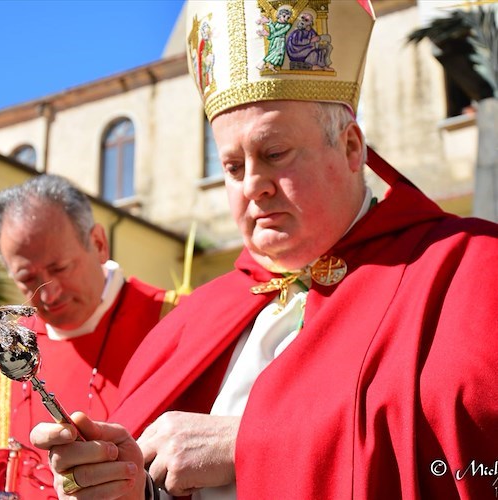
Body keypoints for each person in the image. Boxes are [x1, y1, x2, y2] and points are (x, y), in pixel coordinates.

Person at [31, 1, 498, 499]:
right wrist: (123, 483)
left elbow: (471, 436)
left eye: (274, 153)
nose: (254, 185)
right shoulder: (197, 319)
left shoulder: (468, 265)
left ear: (350, 147)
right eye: (232, 167)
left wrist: (248, 443)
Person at [0, 174, 177, 499]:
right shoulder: (10, 346)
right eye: (27, 278)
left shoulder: (175, 321)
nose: (49, 293)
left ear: (97, 243)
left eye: (61, 267)